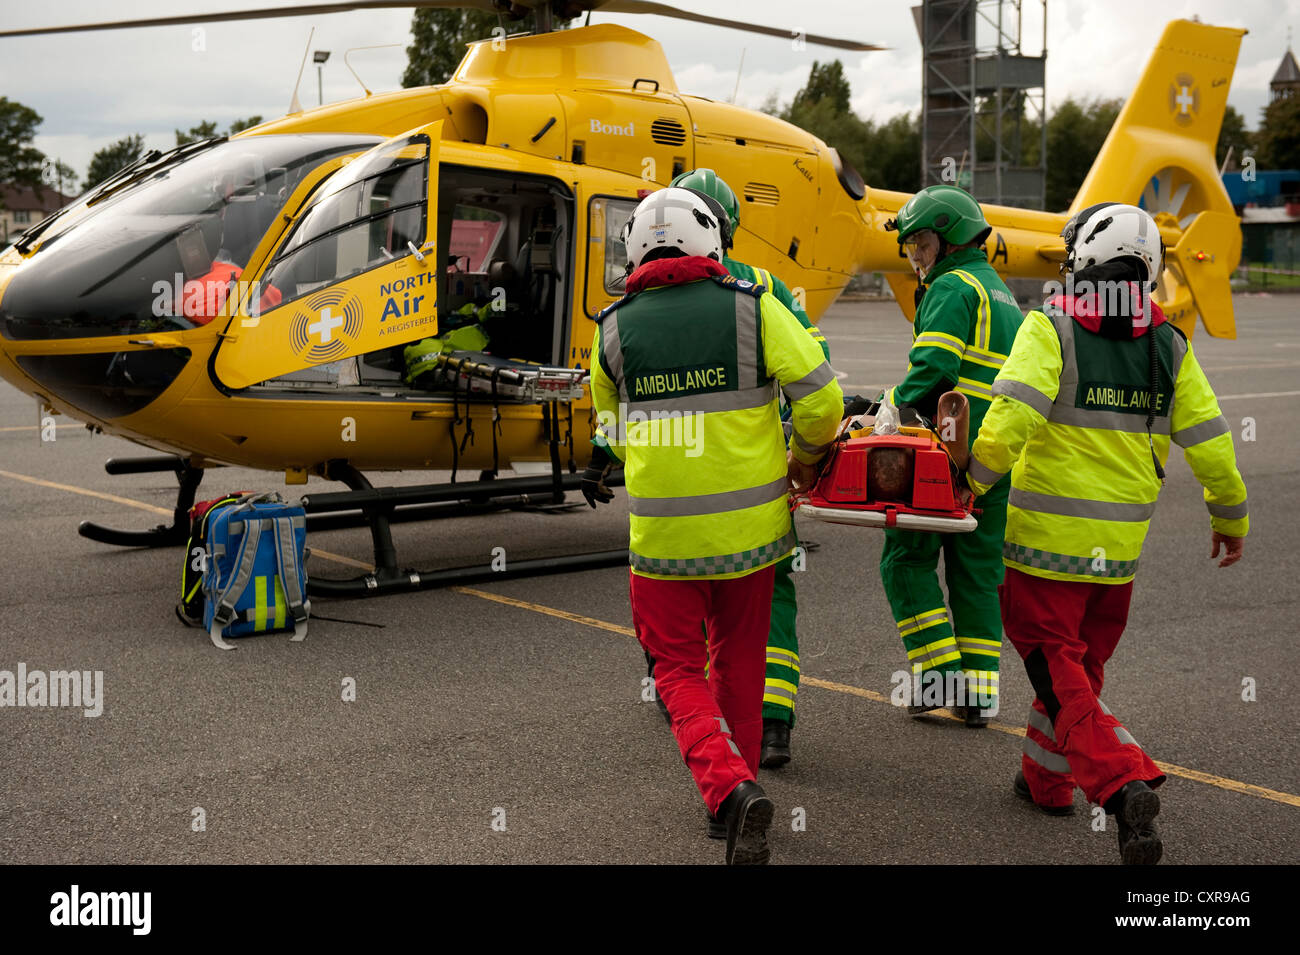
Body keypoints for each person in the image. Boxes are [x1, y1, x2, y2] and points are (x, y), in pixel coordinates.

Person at [964, 201, 1248, 864]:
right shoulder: (1171, 346)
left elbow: (1011, 419)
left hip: (1043, 551)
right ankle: (1046, 782)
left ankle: (1124, 782)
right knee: (1076, 676)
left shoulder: (1051, 327)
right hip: (1116, 559)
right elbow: (1210, 442)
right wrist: (1229, 515)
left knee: (1060, 673)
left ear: (1084, 261)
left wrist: (970, 481)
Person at [585, 186, 842, 864]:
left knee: (676, 668)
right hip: (754, 539)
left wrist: (654, 447)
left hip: (665, 544)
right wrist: (805, 459)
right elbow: (823, 397)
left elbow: (607, 433)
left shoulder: (610, 329)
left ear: (635, 249)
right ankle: (735, 791)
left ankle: (727, 793)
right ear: (713, 244)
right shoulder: (756, 308)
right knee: (740, 664)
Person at [663, 167, 831, 770]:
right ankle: (771, 723)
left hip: (673, 488)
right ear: (727, 227)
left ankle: (692, 706)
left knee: (682, 596)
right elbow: (815, 370)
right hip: (754, 486)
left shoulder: (644, 294)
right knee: (767, 598)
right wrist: (802, 454)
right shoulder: (765, 289)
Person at [880, 185, 1023, 726]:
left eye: (920, 244)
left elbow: (933, 372)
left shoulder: (951, 288)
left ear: (949, 238)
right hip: (992, 460)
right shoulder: (1001, 293)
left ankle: (940, 678)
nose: (916, 257)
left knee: (905, 560)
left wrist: (882, 408)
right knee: (978, 572)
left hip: (942, 451)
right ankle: (979, 697)